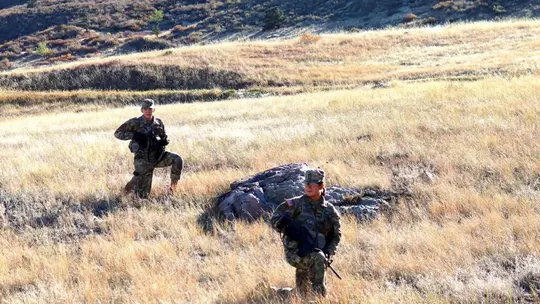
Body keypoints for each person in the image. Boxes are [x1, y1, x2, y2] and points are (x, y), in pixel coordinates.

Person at [270, 168, 342, 297]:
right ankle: (318, 299)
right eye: (306, 183)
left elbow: (336, 235)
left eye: (312, 183)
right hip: (296, 252)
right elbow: (274, 221)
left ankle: (273, 292)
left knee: (302, 294)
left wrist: (328, 252)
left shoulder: (329, 210)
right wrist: (290, 229)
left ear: (321, 185)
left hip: (317, 251)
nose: (308, 186)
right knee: (317, 260)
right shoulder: (294, 204)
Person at [114, 99, 183, 198]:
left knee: (177, 159)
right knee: (143, 196)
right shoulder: (135, 122)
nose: (148, 111)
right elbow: (117, 134)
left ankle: (173, 189)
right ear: (142, 110)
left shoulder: (158, 122)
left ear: (153, 109)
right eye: (145, 109)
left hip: (158, 156)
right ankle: (124, 193)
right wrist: (135, 135)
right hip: (143, 160)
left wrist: (164, 140)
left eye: (150, 109)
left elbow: (164, 137)